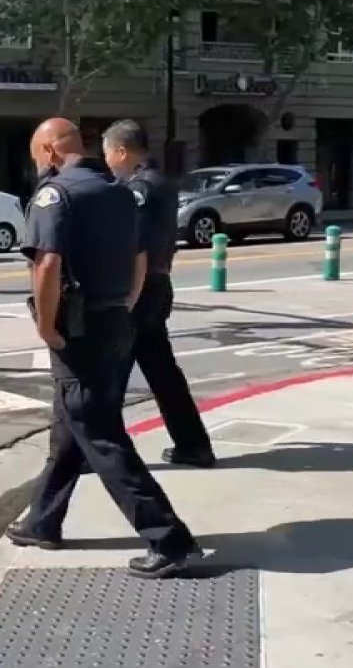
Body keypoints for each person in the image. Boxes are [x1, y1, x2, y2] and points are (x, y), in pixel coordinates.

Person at [5, 117, 201, 579]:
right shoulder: (119, 191)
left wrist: (47, 327)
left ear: (51, 151)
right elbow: (140, 257)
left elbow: (47, 264)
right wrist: (126, 303)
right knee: (72, 422)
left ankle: (168, 538)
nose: (38, 165)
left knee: (98, 432)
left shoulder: (55, 195)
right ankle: (42, 520)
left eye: (38, 156)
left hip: (79, 327)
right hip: (117, 319)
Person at [102, 119, 217, 469]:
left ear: (122, 152)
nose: (106, 162)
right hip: (158, 285)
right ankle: (193, 444)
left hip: (139, 288)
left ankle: (101, 451)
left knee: (111, 372)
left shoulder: (138, 189)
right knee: (163, 373)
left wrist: (123, 297)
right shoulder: (163, 183)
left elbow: (131, 244)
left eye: (107, 154)